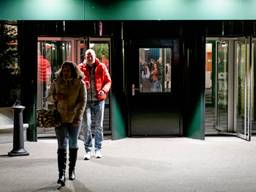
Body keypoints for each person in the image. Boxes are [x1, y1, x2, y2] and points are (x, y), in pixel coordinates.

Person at [48, 61, 86, 187]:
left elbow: (82, 102)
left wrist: (78, 117)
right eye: (64, 69)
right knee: (62, 144)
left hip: (74, 118)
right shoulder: (56, 82)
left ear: (73, 71)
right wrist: (55, 98)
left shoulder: (80, 83)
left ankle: (71, 170)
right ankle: (61, 174)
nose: (65, 72)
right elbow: (48, 97)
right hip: (59, 117)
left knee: (73, 143)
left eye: (68, 70)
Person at [79, 49, 112, 160]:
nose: (89, 57)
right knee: (86, 126)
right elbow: (75, 82)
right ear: (85, 56)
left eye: (91, 55)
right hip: (86, 101)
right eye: (88, 55)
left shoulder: (101, 67)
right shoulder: (80, 68)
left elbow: (108, 81)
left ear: (95, 56)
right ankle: (88, 150)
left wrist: (103, 90)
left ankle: (98, 149)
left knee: (99, 126)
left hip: (99, 101)